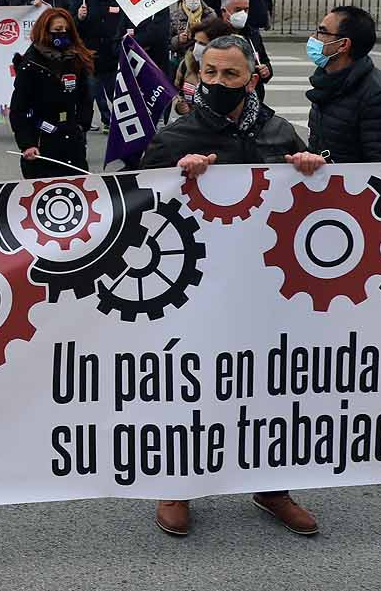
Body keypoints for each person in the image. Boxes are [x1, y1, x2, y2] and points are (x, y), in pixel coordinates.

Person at [139, 37, 325, 537]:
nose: (219, 83)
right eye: (211, 74)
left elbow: (316, 207)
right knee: (191, 381)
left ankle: (272, 485)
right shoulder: (178, 135)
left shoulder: (280, 131)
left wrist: (308, 169)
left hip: (269, 285)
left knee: (273, 383)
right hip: (198, 287)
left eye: (231, 75)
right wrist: (175, 176)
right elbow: (136, 202)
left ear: (253, 77)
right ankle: (176, 484)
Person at [306, 5, 381, 163]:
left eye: (322, 32)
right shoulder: (326, 81)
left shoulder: (376, 95)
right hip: (325, 183)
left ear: (343, 45)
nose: (314, 37)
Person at [10, 7, 95, 178]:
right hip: (41, 139)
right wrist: (27, 144)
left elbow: (86, 98)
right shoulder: (30, 64)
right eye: (57, 30)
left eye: (66, 30)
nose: (62, 33)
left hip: (72, 139)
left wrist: (81, 126)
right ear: (45, 31)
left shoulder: (75, 59)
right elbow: (19, 109)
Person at [74, 0, 128, 131]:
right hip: (90, 58)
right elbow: (71, 28)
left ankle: (124, 127)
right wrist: (79, 18)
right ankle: (100, 122)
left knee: (118, 96)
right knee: (91, 95)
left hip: (114, 58)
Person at [173, 18, 235, 116]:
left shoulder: (232, 71)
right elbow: (178, 93)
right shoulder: (186, 65)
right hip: (192, 126)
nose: (197, 47)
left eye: (202, 44)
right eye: (196, 42)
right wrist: (180, 106)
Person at [219, 0, 273, 100]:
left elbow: (264, 60)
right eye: (238, 10)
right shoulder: (214, 35)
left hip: (253, 97)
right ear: (224, 11)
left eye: (246, 10)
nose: (243, 14)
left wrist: (266, 71)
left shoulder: (252, 34)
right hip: (225, 97)